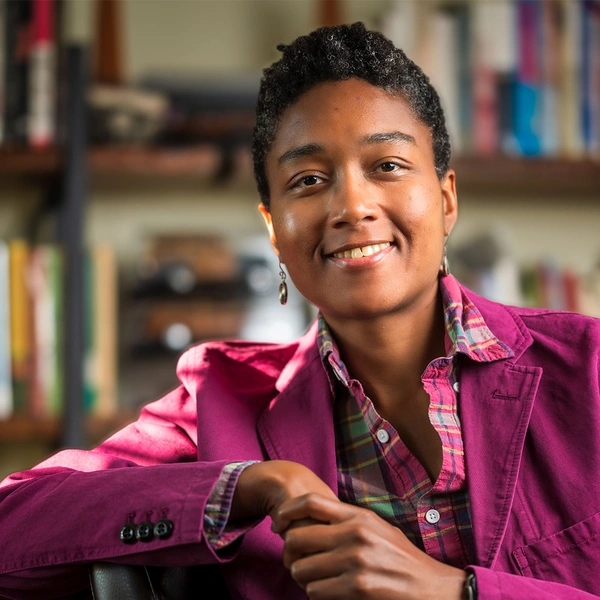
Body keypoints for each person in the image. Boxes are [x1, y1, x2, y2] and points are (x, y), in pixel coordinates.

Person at [1, 21, 599, 600]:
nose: (351, 205)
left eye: (386, 166)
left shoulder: (589, 370)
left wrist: (455, 593)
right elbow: (13, 523)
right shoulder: (219, 404)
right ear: (273, 230)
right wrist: (248, 485)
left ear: (445, 199)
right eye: (309, 180)